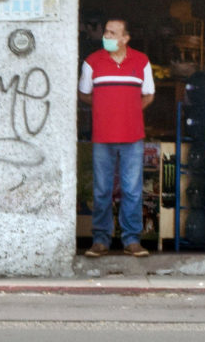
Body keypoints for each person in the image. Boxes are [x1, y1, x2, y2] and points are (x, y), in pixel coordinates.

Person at [78, 18, 155, 257]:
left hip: (132, 135)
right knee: (102, 189)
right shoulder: (92, 62)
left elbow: (149, 95)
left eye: (112, 33)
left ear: (125, 38)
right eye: (106, 32)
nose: (107, 37)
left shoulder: (141, 61)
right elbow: (84, 94)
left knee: (132, 189)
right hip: (102, 135)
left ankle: (131, 240)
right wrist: (106, 108)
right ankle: (100, 240)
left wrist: (128, 111)